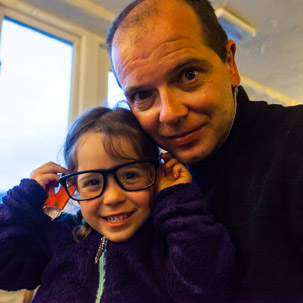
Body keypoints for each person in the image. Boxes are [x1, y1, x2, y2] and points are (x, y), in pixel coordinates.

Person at [106, 0, 303, 302]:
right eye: (142, 95)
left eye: (188, 75)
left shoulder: (295, 143)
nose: (169, 113)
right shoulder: (149, 192)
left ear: (230, 64)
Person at [0, 106, 237, 303]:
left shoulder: (171, 242)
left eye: (130, 175)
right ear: (73, 187)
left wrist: (178, 200)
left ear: (156, 175)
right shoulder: (61, 238)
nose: (113, 197)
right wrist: (23, 202)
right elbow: (5, 269)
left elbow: (209, 286)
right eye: (92, 181)